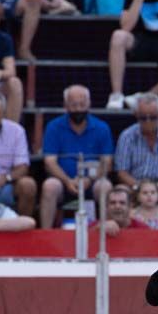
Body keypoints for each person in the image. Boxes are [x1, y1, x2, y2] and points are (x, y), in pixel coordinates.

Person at [40, 84, 113, 229]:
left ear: (89, 104)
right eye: (74, 105)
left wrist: (90, 179)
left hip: (92, 182)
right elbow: (50, 162)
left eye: (82, 104)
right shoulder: (54, 127)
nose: (79, 109)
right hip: (64, 182)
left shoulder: (101, 128)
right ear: (65, 105)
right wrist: (67, 181)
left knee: (105, 186)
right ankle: (45, 234)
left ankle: (106, 232)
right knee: (49, 186)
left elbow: (107, 162)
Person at [114, 93, 158, 188]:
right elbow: (122, 172)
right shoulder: (127, 136)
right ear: (136, 115)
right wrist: (140, 188)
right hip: (135, 186)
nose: (148, 122)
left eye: (153, 117)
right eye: (143, 118)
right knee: (120, 192)